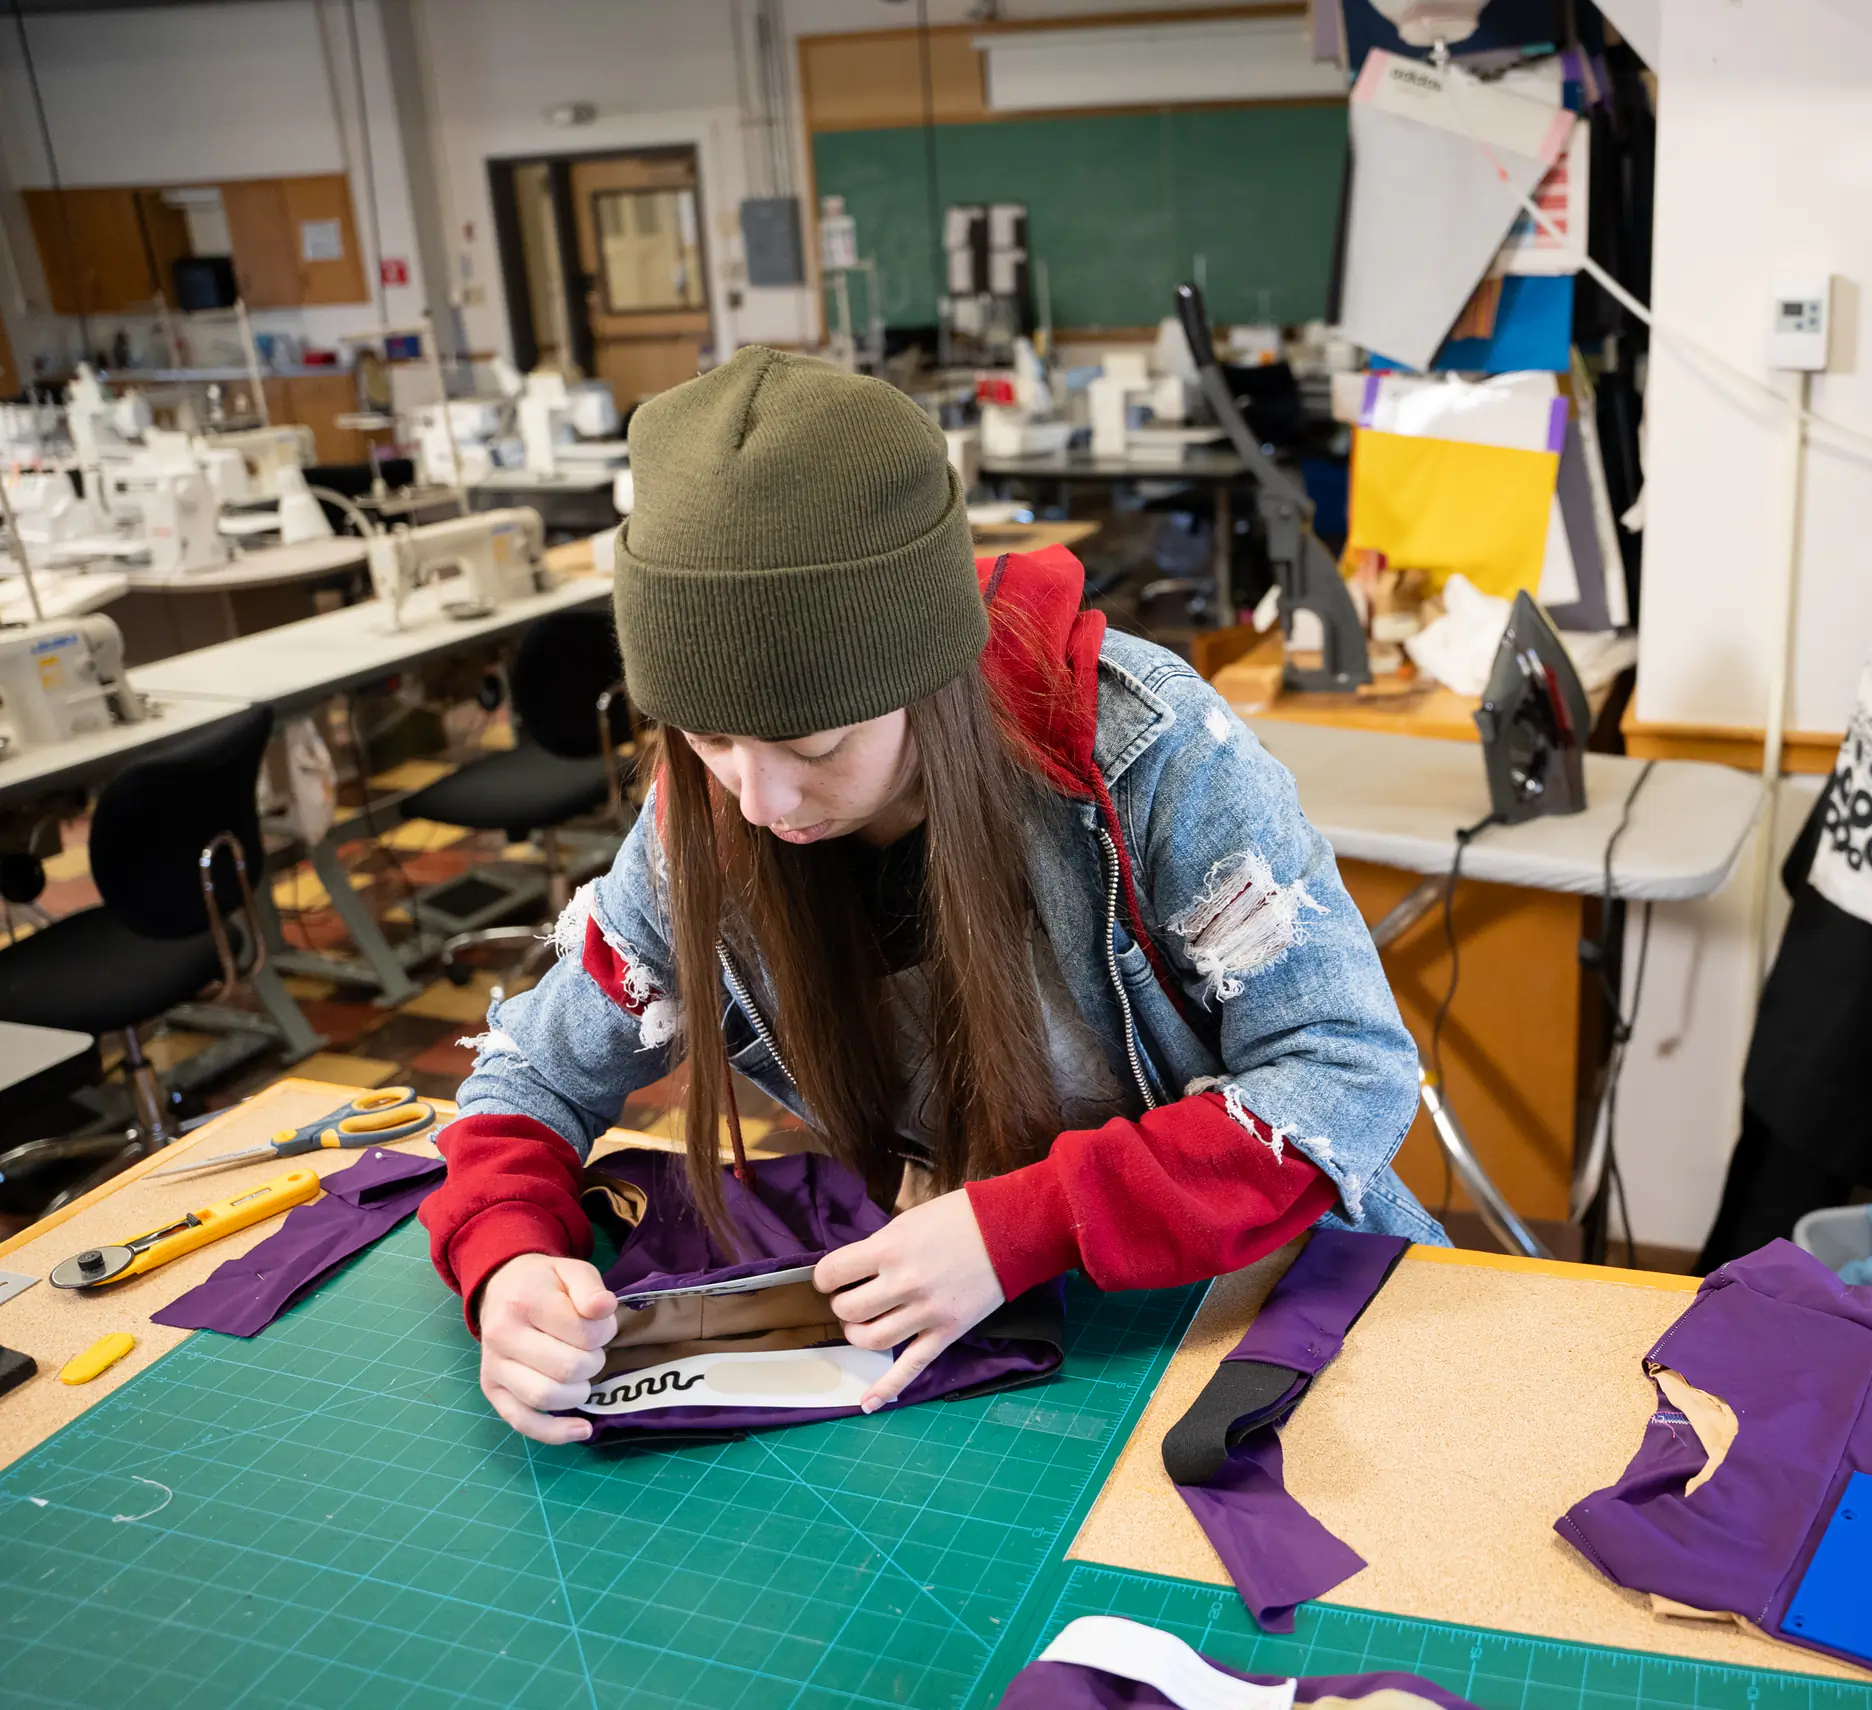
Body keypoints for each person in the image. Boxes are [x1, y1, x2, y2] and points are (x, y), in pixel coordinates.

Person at [422, 348, 1445, 1443]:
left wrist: (1025, 1222)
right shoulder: (701, 820)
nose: (760, 802)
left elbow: (1346, 1073)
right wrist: (510, 1258)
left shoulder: (1144, 753)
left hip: (1253, 1310)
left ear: (923, 676)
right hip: (990, 1337)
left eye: (812, 744)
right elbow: (531, 1075)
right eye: (710, 740)